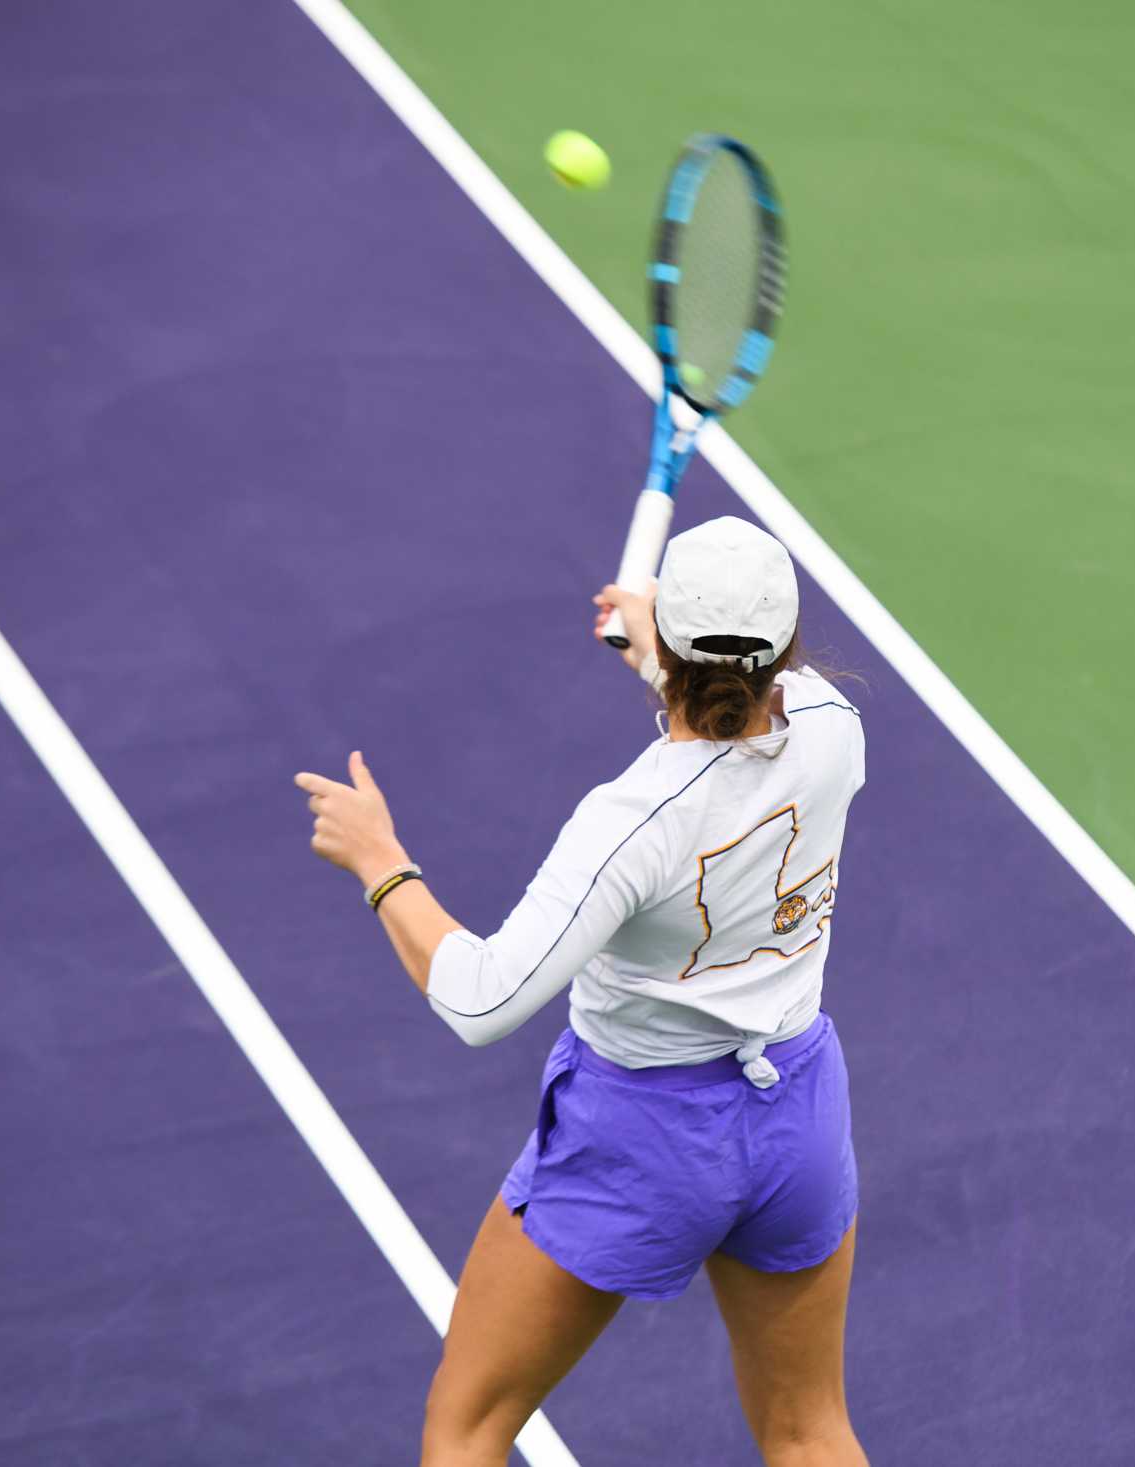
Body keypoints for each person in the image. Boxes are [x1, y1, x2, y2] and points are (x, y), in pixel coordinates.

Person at [295, 515, 870, 1467]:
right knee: (809, 1432)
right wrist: (669, 658)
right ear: (785, 649)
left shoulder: (630, 822)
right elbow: (747, 729)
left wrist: (382, 861)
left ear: (682, 653)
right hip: (796, 1121)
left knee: (468, 1425)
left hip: (643, 1142)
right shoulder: (835, 733)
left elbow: (481, 998)